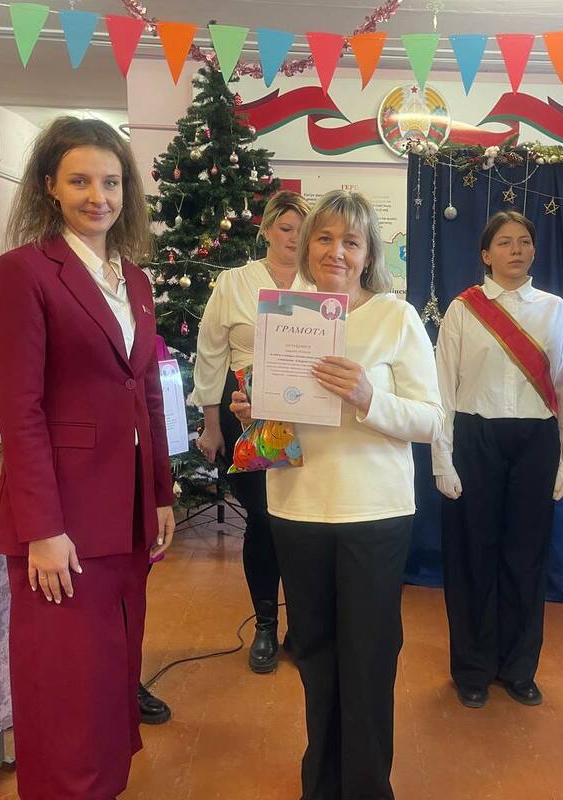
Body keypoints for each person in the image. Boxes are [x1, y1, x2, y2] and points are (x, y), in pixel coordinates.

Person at [0, 116, 175, 798]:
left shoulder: (135, 281)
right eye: (81, 181)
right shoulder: (23, 273)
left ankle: (105, 785)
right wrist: (42, 528)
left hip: (126, 511)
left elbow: (146, 390)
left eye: (111, 182)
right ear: (50, 186)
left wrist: (161, 493)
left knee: (111, 670)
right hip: (61, 517)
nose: (99, 196)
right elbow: (21, 411)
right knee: (63, 682)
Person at [230, 190, 442, 800]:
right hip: (296, 507)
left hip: (374, 512)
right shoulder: (283, 316)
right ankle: (320, 785)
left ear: (369, 252)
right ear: (304, 245)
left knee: (369, 658)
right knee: (316, 655)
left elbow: (432, 420)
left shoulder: (395, 318)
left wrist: (369, 397)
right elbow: (276, 422)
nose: (337, 252)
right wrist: (253, 410)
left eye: (351, 241)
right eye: (324, 238)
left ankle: (368, 788)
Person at [432, 211, 563, 709]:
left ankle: (519, 667)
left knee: (526, 558)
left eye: (524, 241)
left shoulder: (554, 310)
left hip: (537, 441)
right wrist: (442, 458)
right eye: (504, 242)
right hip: (475, 438)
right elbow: (441, 389)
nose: (516, 250)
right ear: (485, 254)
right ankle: (472, 668)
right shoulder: (462, 310)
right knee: (472, 557)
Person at [192, 190, 311, 673]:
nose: (294, 238)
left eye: (302, 230)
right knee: (262, 520)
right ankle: (265, 624)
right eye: (285, 228)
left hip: (307, 414)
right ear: (266, 230)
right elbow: (210, 353)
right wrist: (211, 425)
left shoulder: (320, 283)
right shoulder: (234, 282)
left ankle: (302, 624)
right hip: (246, 412)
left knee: (304, 524)